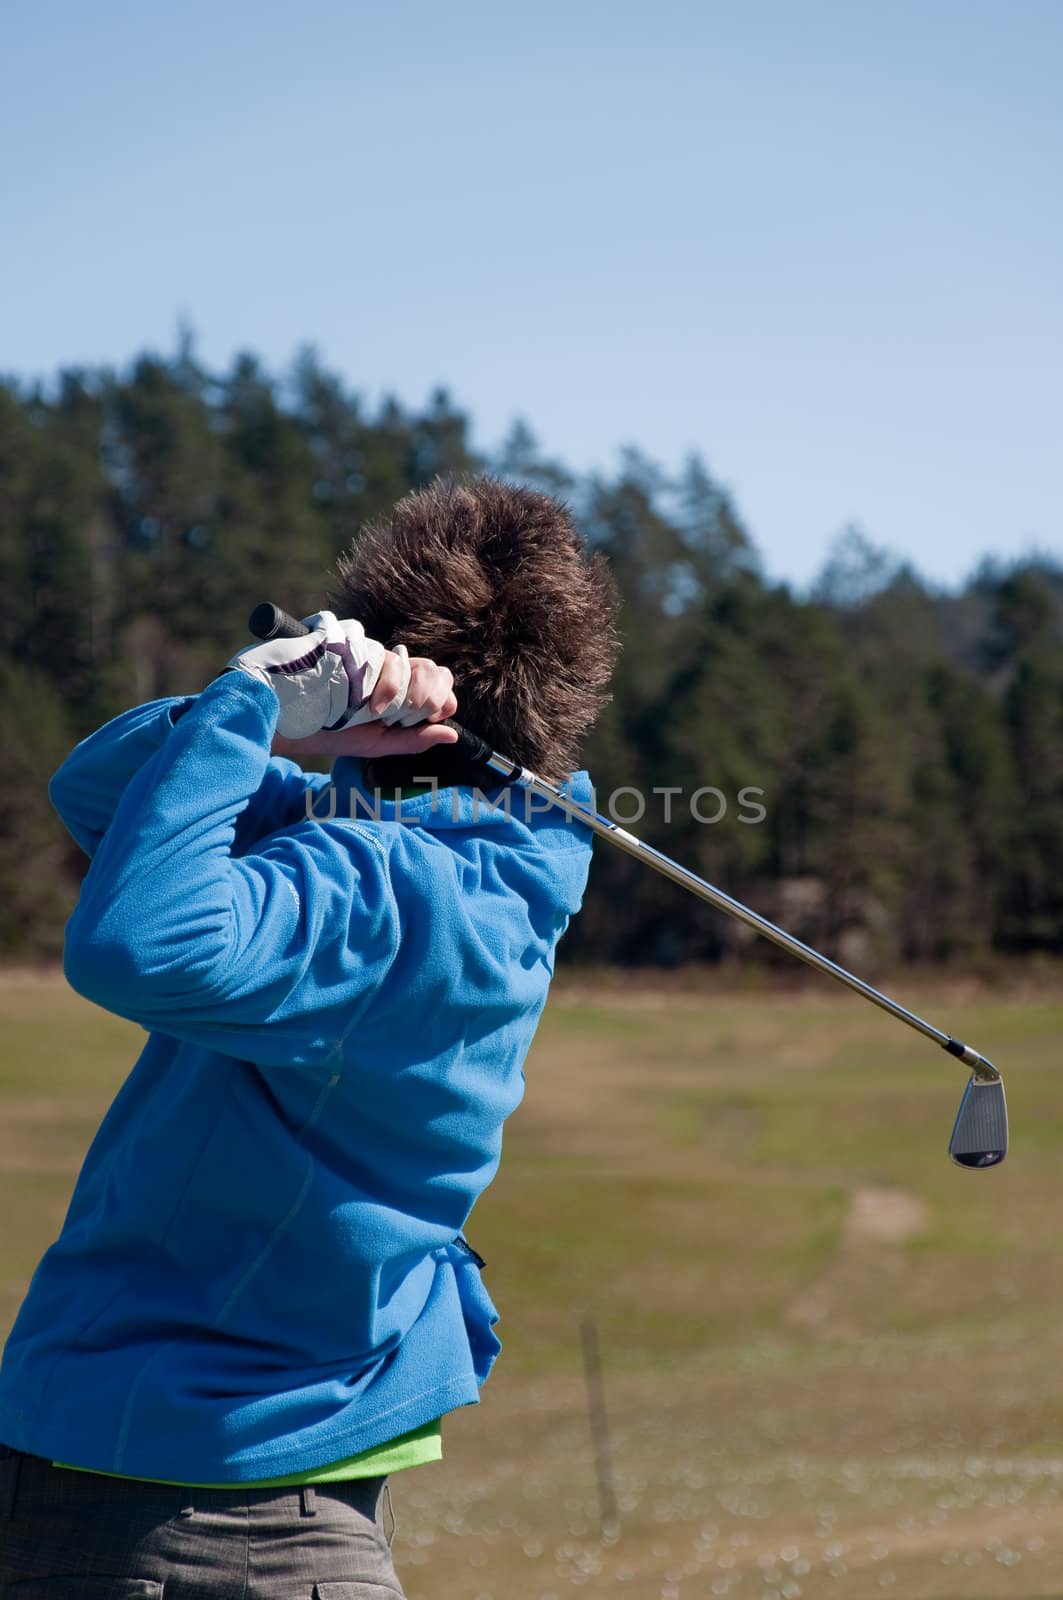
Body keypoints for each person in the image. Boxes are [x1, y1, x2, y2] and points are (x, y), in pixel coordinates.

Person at [0, 475, 619, 1597]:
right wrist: (268, 717)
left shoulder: (372, 889)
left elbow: (134, 942)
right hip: (281, 1495)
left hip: (166, 1505)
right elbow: (96, 790)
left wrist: (255, 709)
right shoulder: (505, 860)